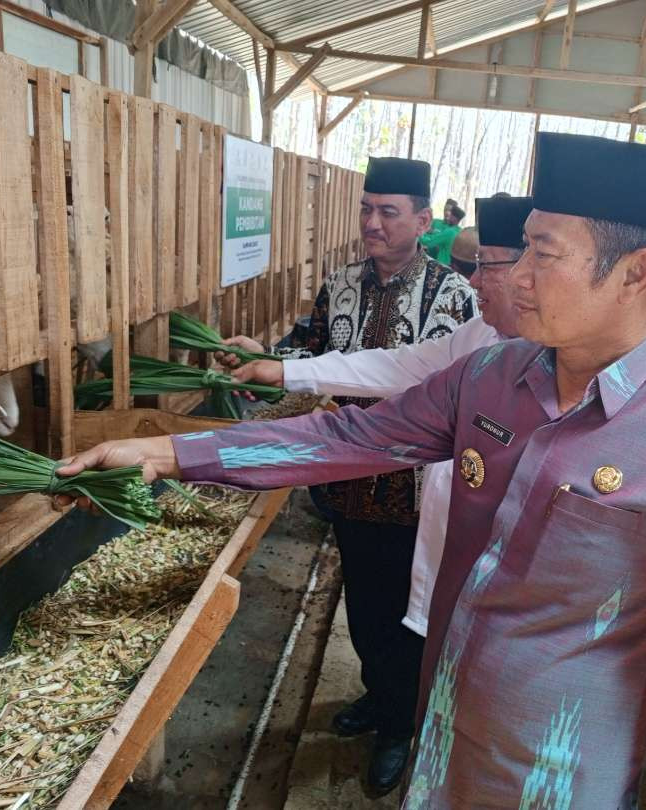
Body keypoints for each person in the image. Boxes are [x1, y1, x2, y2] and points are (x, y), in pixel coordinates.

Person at [58, 133, 646, 808]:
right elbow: (352, 435)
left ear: (635, 273)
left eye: (540, 254)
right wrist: (173, 452)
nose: (513, 277)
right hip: (441, 739)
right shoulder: (494, 374)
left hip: (555, 779)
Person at [212, 155, 478, 794]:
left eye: (389, 212)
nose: (373, 223)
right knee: (361, 603)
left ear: (421, 218)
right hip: (346, 480)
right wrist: (267, 358)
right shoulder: (342, 281)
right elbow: (313, 350)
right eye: (367, 208)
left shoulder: (457, 296)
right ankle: (375, 693)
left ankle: (398, 723)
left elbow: (459, 387)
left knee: (406, 612)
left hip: (416, 489)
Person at [228, 195, 530, 651]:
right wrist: (283, 368)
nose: (473, 279)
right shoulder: (481, 334)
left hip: (419, 503)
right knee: (378, 614)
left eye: (486, 265)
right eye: (366, 209)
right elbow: (392, 365)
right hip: (357, 482)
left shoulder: (458, 298)